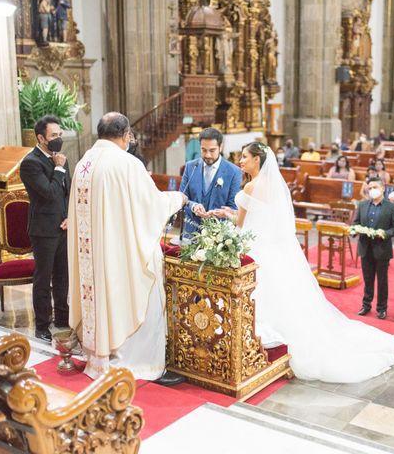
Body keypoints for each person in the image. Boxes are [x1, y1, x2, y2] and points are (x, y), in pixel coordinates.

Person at [212, 144, 394, 382]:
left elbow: (241, 224)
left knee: (260, 293)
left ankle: (259, 341)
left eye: (245, 157)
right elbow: (266, 218)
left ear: (257, 160)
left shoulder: (251, 185)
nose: (240, 161)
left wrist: (225, 214)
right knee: (280, 294)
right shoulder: (274, 186)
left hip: (256, 247)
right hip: (271, 247)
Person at [68, 112, 188, 384]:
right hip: (117, 256)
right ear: (124, 135)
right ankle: (138, 360)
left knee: (99, 295)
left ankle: (97, 351)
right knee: (144, 288)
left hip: (93, 255)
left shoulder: (84, 163)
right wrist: (177, 199)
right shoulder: (126, 163)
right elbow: (151, 205)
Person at [19, 115, 71, 343]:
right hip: (43, 230)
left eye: (60, 134)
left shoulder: (61, 159)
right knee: (43, 278)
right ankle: (42, 325)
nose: (58, 139)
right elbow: (48, 193)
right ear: (41, 138)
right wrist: (58, 168)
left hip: (63, 226)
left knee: (63, 276)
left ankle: (62, 317)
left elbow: (67, 192)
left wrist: (70, 216)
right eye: (53, 136)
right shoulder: (30, 163)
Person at [351, 178, 394, 319]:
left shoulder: (390, 207)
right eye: (370, 187)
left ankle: (381, 308)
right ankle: (366, 305)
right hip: (365, 247)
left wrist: (386, 233)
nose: (372, 190)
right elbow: (355, 223)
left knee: (382, 280)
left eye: (375, 187)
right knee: (368, 279)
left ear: (382, 188)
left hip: (382, 249)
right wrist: (355, 230)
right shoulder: (362, 205)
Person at [180, 127, 242, 240]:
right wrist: (193, 206)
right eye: (203, 150)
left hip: (219, 237)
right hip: (190, 234)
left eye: (212, 150)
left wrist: (217, 213)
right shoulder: (190, 167)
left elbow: (233, 206)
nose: (207, 155)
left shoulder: (234, 172)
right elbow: (182, 197)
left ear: (221, 147)